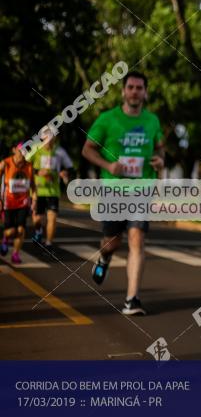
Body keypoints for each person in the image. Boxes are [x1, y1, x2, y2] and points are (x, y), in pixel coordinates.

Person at [82, 71, 164, 315]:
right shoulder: (108, 119)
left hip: (141, 189)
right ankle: (105, 257)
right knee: (112, 241)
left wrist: (160, 162)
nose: (135, 91)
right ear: (123, 91)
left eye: (140, 87)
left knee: (137, 237)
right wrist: (109, 166)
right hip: (113, 190)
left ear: (145, 92)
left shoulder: (152, 121)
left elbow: (160, 149)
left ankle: (132, 299)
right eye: (131, 87)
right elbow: (87, 149)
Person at [30, 130, 73, 251]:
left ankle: (48, 244)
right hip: (38, 190)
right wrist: (38, 172)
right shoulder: (35, 149)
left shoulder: (59, 151)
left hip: (53, 191)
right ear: (42, 138)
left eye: (52, 138)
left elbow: (69, 166)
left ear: (55, 139)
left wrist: (65, 172)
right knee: (37, 219)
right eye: (46, 138)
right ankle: (38, 230)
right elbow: (26, 166)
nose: (49, 141)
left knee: (52, 218)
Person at [1, 143, 37, 264]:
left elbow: (33, 186)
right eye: (20, 150)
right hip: (9, 203)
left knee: (21, 230)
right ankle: (5, 239)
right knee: (11, 231)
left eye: (25, 151)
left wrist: (34, 200)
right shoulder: (6, 163)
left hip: (23, 203)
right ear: (14, 150)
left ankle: (15, 254)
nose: (23, 153)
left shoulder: (29, 166)